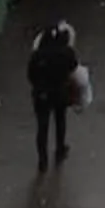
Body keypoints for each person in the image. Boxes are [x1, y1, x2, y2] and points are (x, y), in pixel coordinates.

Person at [27, 19, 80, 171]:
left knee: (42, 127)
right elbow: (74, 69)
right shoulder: (66, 52)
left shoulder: (37, 55)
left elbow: (30, 75)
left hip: (41, 95)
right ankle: (60, 149)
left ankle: (42, 161)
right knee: (60, 120)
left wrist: (40, 86)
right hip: (59, 92)